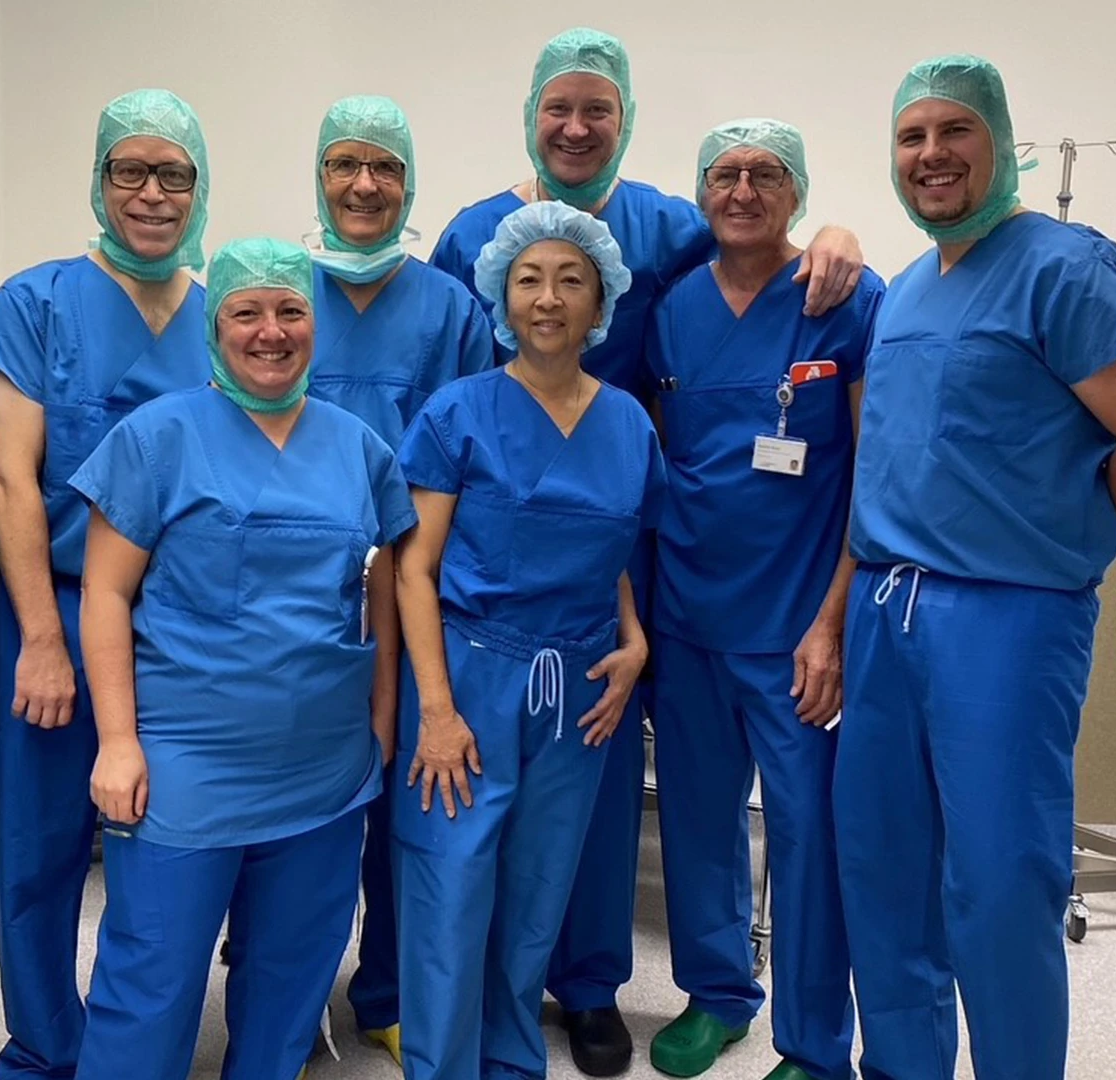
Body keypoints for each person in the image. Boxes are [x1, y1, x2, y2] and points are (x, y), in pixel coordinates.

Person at [428, 31, 863, 1072]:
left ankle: (595, 991)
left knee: (611, 798)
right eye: (558, 109)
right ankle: (475, 1005)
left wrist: (838, 229)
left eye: (600, 109)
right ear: (532, 114)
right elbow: (443, 389)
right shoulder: (476, 241)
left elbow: (772, 262)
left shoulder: (675, 232)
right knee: (491, 820)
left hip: (665, 587)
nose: (577, 128)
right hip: (563, 587)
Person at [833, 55, 1116, 1080]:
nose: (931, 155)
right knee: (884, 870)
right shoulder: (906, 294)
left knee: (998, 883)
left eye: (954, 131)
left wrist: (1048, 532)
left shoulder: (1066, 267)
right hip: (884, 611)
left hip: (1005, 622)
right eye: (911, 138)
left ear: (1000, 142)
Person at [70, 238, 417, 1080]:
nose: (271, 332)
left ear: (316, 322)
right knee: (151, 981)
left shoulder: (358, 446)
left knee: (291, 983)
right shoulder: (158, 436)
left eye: (291, 310)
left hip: (325, 771)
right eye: (247, 313)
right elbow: (105, 595)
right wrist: (118, 742)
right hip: (187, 764)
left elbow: (385, 585)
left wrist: (376, 723)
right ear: (214, 326)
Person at [0, 87, 212, 1080]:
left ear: (201, 189)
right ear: (99, 178)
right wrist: (40, 637)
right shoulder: (38, 303)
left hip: (185, 626)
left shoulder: (223, 313)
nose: (151, 194)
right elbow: (7, 479)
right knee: (37, 852)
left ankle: (131, 1047)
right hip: (56, 608)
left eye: (174, 174)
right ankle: (44, 1050)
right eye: (130, 170)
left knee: (168, 851)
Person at [394, 201, 666, 1080]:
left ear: (602, 303)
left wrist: (634, 644)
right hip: (472, 675)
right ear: (501, 297)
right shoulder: (458, 411)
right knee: (451, 881)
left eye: (570, 280)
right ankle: (443, 1067)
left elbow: (614, 542)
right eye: (528, 279)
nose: (548, 298)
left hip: (581, 688)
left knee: (538, 892)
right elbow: (413, 570)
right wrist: (434, 710)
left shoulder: (628, 421)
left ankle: (512, 1062)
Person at [645, 119, 883, 1080]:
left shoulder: (846, 297)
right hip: (688, 613)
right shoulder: (671, 308)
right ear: (702, 195)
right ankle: (716, 997)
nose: (743, 190)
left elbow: (876, 473)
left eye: (766, 174)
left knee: (807, 837)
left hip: (797, 628)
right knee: (699, 822)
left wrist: (833, 621)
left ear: (800, 190)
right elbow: (666, 457)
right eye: (725, 174)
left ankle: (816, 1044)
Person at [303, 92, 494, 1066]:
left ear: (409, 185)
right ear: (321, 177)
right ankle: (286, 1000)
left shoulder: (454, 309)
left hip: (416, 585)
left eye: (384, 167)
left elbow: (466, 455)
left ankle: (384, 986)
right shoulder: (278, 291)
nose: (364, 183)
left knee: (400, 803)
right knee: (297, 805)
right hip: (295, 594)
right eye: (345, 164)